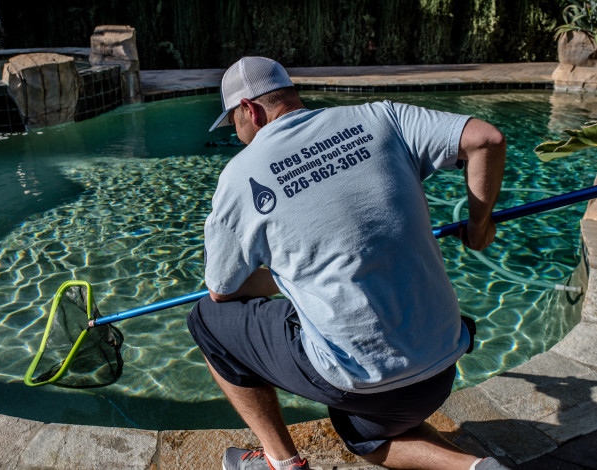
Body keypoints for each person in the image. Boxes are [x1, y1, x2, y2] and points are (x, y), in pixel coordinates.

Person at [187, 56, 510, 470]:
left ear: (249, 109)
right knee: (358, 433)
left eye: (234, 120)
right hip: (444, 365)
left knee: (207, 320)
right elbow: (487, 140)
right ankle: (474, 468)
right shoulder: (380, 117)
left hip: (367, 386)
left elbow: (221, 291)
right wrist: (480, 226)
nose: (236, 133)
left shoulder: (239, 177)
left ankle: (280, 463)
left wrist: (277, 277)